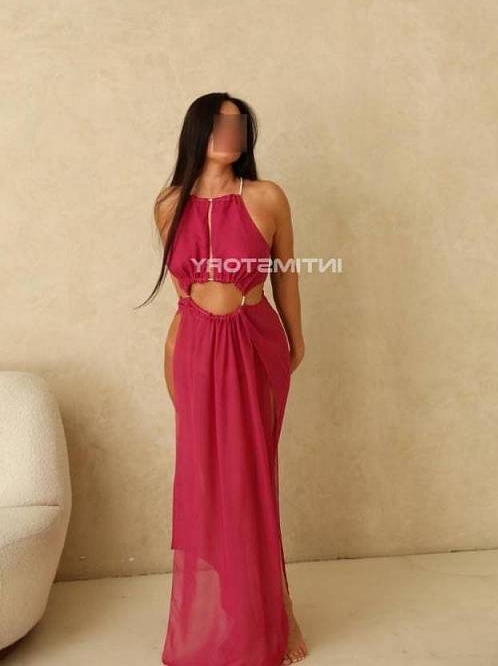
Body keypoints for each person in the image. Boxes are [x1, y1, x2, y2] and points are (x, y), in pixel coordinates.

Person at [149, 92, 308, 665]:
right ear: (198, 130)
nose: (232, 134)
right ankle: (223, 607)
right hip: (193, 349)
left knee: (251, 480)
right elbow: (182, 291)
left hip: (254, 342)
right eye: (221, 124)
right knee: (207, 482)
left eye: (240, 126)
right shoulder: (169, 204)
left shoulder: (267, 197)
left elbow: (286, 274)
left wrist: (296, 337)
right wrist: (179, 350)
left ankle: (278, 611)